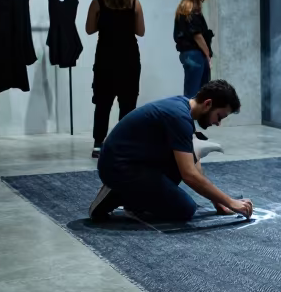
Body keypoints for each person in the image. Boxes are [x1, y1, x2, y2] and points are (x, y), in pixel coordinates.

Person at [89, 80, 252, 222]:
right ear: (208, 104)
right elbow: (190, 175)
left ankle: (131, 195)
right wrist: (231, 202)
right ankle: (119, 194)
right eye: (219, 116)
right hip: (117, 168)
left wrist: (219, 202)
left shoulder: (182, 107)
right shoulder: (179, 117)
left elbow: (194, 163)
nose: (218, 123)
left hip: (128, 162)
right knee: (185, 209)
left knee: (182, 163)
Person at [86, 0, 145, 158]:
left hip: (105, 58)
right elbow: (140, 31)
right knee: (128, 104)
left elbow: (89, 29)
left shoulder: (98, 1)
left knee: (103, 103)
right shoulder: (134, 2)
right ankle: (124, 143)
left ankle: (98, 144)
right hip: (129, 58)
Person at [174, 0, 214, 98]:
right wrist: (207, 55)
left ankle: (194, 117)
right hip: (194, 54)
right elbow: (197, 36)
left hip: (193, 54)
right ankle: (190, 117)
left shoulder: (187, 8)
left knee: (198, 93)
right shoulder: (190, 9)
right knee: (194, 94)